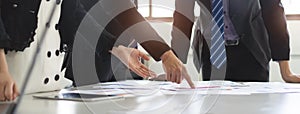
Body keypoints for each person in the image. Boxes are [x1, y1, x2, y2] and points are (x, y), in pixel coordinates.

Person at [171, 0, 300, 82]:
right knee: (214, 107)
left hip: (252, 50)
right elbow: (183, 16)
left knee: (256, 106)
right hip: (212, 52)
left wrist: (285, 71)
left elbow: (273, 11)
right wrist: (173, 64)